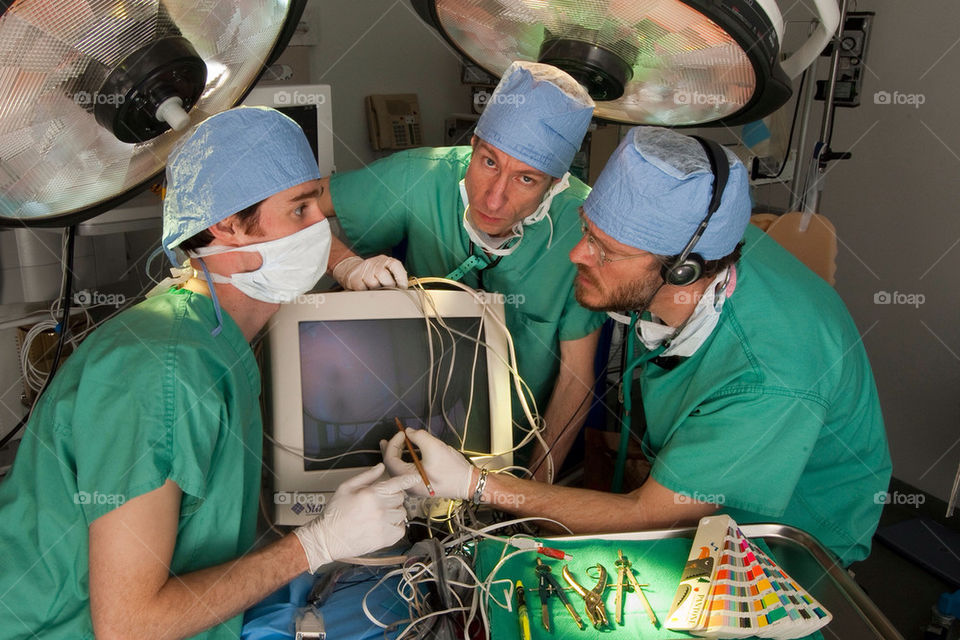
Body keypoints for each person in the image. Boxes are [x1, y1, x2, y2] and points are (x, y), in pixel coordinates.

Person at [381, 126, 893, 566]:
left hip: (786, 538)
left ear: (683, 271)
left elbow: (650, 513)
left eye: (606, 251)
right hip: (692, 486)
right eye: (587, 230)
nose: (578, 253)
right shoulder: (708, 236)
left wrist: (477, 485)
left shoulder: (769, 377)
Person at [0, 107, 418, 640]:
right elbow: (129, 625)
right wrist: (315, 545)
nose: (322, 229)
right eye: (300, 209)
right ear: (226, 226)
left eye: (318, 204)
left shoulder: (214, 337)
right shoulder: (161, 370)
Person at [317, 61, 607, 480]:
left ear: (556, 183)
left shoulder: (580, 230)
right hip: (413, 425)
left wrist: (532, 493)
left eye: (526, 179)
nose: (492, 200)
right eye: (489, 162)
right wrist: (345, 264)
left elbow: (575, 378)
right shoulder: (422, 176)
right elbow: (295, 209)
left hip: (514, 453)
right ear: (473, 145)